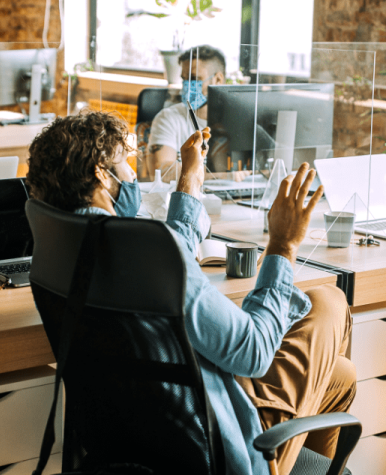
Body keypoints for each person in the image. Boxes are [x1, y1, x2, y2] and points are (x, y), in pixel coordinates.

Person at [26, 111, 356, 475]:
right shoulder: (147, 254)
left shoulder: (60, 247)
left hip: (142, 438)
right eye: (126, 164)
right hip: (219, 447)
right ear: (101, 175)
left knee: (340, 376)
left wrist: (189, 182)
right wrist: (284, 244)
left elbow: (163, 258)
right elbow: (254, 352)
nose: (134, 175)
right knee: (330, 302)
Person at [146, 45, 228, 178]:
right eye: (184, 79)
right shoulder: (168, 118)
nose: (187, 86)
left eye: (194, 79)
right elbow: (162, 172)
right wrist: (225, 177)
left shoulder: (234, 121)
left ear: (218, 79)